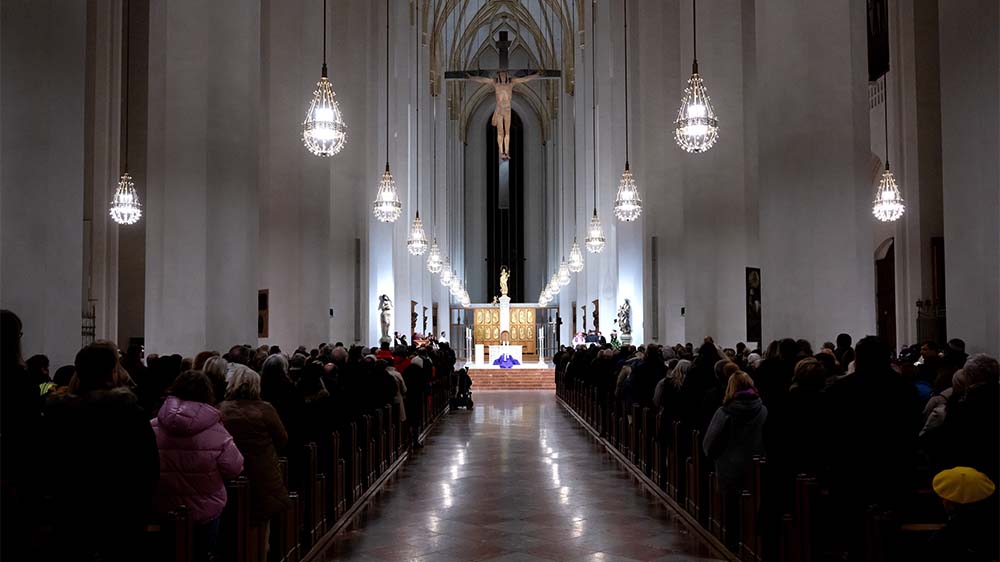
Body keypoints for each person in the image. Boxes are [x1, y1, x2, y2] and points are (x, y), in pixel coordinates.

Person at [43, 342, 160, 562]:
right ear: (113, 371)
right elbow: (148, 468)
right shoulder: (129, 414)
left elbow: (46, 464)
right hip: (120, 513)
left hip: (71, 511)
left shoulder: (58, 414)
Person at [152, 371, 244, 562]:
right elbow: (234, 467)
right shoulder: (217, 431)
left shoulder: (153, 427)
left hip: (163, 506)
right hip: (205, 508)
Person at [219, 366, 291, 545]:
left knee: (231, 521)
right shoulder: (265, 409)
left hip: (229, 473)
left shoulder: (221, 409)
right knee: (261, 520)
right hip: (262, 471)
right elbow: (282, 438)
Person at [703, 371, 767, 547]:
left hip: (729, 466)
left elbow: (710, 442)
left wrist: (712, 455)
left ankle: (731, 542)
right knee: (754, 502)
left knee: (731, 507)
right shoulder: (763, 410)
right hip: (755, 465)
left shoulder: (724, 411)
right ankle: (753, 543)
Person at [923, 467, 998, 562]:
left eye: (945, 498)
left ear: (949, 505)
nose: (943, 501)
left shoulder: (941, 539)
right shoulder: (991, 531)